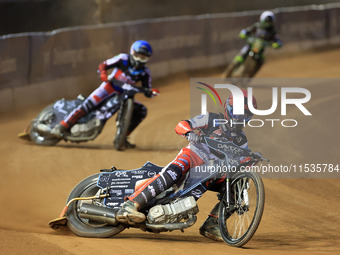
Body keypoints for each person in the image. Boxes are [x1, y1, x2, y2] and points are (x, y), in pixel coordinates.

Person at [116, 89, 257, 241]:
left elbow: (240, 160)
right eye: (237, 114)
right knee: (173, 173)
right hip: (193, 155)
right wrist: (189, 132)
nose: (239, 119)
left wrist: (249, 160)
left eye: (245, 116)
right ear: (228, 109)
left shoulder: (242, 140)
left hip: (211, 170)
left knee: (237, 185)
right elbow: (182, 125)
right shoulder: (211, 118)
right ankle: (130, 205)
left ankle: (213, 223)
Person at [51, 40, 155, 148]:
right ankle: (62, 126)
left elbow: (147, 89)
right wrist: (103, 75)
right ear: (132, 52)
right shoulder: (123, 58)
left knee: (142, 111)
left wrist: (150, 93)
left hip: (124, 96)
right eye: (138, 55)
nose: (139, 60)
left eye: (143, 57)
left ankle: (123, 137)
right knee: (87, 105)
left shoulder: (145, 72)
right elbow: (103, 65)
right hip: (108, 88)